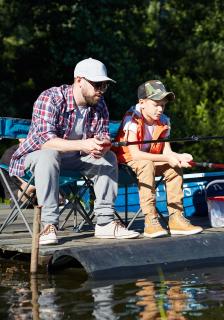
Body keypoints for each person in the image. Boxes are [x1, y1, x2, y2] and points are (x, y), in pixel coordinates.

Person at [9, 58, 140, 245]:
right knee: (49, 154)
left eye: (104, 85)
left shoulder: (100, 104)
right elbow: (46, 142)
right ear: (79, 80)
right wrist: (84, 144)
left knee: (109, 158)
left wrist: (102, 145)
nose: (101, 90)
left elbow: (101, 135)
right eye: (97, 84)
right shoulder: (50, 97)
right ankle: (49, 225)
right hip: (36, 158)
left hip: (75, 159)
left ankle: (104, 222)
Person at [114, 80, 202, 238]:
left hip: (150, 160)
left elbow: (166, 151)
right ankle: (150, 219)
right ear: (142, 103)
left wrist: (179, 157)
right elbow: (136, 155)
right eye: (156, 104)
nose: (160, 109)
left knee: (174, 167)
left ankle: (176, 218)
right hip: (127, 163)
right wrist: (168, 158)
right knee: (146, 164)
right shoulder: (131, 119)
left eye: (163, 105)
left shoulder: (164, 121)